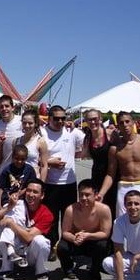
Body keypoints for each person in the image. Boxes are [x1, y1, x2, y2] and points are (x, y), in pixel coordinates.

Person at [0, 179, 55, 280]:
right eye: (29, 190)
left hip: (29, 252)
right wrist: (9, 207)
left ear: (42, 196)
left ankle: (40, 270)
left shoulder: (47, 214)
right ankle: (7, 267)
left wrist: (11, 223)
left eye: (35, 192)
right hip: (13, 245)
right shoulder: (17, 204)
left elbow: (28, 238)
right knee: (7, 230)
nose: (31, 194)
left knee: (41, 241)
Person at [43, 105, 85, 260]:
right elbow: (35, 156)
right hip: (51, 183)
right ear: (49, 118)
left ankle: (67, 247)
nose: (60, 121)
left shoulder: (72, 132)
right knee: (51, 218)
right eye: (56, 118)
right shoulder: (42, 133)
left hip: (69, 182)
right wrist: (50, 162)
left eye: (63, 118)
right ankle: (52, 246)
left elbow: (89, 142)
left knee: (70, 218)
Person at [57, 179, 111, 280]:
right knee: (62, 247)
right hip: (76, 241)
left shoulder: (104, 210)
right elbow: (65, 232)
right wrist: (74, 238)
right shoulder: (71, 209)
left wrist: (88, 235)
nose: (83, 198)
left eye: (87, 195)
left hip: (93, 241)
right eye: (81, 195)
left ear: (95, 195)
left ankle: (94, 272)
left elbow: (105, 233)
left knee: (103, 245)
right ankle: (68, 268)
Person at [81, 109, 118, 219]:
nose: (92, 122)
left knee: (112, 209)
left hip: (112, 176)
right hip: (97, 175)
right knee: (98, 209)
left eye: (95, 119)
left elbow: (123, 151)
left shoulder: (110, 134)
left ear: (100, 119)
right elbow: (84, 156)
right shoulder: (88, 138)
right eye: (89, 120)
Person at [0, 144, 37, 209]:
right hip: (7, 200)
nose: (19, 161)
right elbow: (0, 188)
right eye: (17, 158)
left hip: (23, 200)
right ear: (12, 157)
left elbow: (30, 186)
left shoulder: (29, 170)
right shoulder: (7, 170)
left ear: (26, 158)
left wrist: (20, 193)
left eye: (22, 159)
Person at [0, 95, 24, 174]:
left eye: (7, 106)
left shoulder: (22, 121)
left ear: (13, 107)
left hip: (22, 171)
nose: (4, 109)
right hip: (4, 171)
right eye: (1, 107)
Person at [12, 110, 49, 181]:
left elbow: (44, 166)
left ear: (35, 124)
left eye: (30, 123)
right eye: (24, 123)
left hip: (33, 181)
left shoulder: (40, 141)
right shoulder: (15, 141)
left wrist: (41, 184)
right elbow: (13, 163)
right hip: (18, 181)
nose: (27, 125)